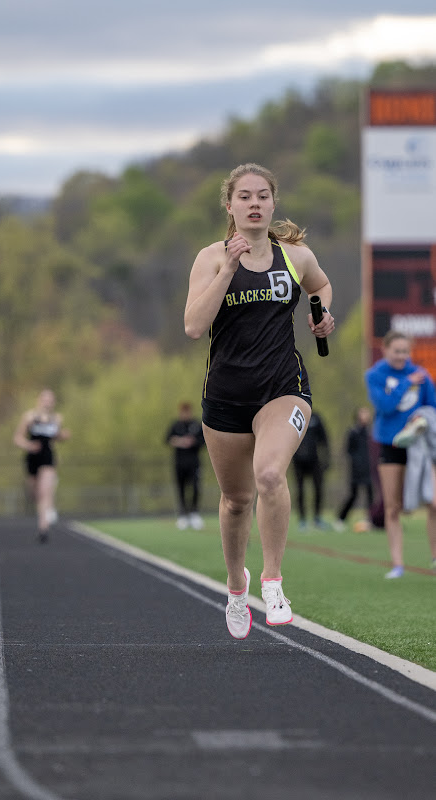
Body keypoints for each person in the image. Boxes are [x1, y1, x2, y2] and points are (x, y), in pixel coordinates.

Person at [184, 162, 334, 637]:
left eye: (263, 195)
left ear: (273, 203)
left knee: (270, 474)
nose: (254, 203)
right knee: (234, 500)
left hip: (282, 388)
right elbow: (192, 326)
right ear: (229, 205)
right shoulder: (210, 258)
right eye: (244, 196)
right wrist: (228, 268)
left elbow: (321, 285)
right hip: (227, 396)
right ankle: (235, 586)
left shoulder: (296, 256)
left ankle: (272, 581)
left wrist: (323, 313)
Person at [365, 330, 436, 578]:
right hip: (391, 444)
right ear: (385, 350)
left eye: (405, 351)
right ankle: (398, 565)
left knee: (433, 502)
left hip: (420, 446)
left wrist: (422, 417)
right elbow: (384, 406)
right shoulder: (375, 375)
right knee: (393, 507)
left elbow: (432, 407)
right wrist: (406, 383)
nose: (401, 356)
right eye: (397, 351)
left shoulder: (422, 375)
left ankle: (435, 557)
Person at [13, 389, 71, 542]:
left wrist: (63, 436)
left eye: (50, 400)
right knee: (35, 493)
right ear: (39, 400)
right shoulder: (30, 417)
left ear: (53, 402)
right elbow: (17, 438)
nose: (47, 402)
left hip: (48, 457)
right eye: (45, 399)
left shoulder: (57, 418)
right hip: (33, 457)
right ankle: (41, 506)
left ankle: (43, 528)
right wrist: (29, 445)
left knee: (45, 491)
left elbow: (55, 437)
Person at [165, 401, 205, 530]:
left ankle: (194, 513)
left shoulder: (196, 425)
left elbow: (203, 441)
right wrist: (179, 441)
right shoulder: (176, 425)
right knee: (181, 488)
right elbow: (167, 439)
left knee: (195, 487)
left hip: (194, 463)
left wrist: (192, 442)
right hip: (179, 463)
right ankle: (183, 514)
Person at [333, 407, 374, 531]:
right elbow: (349, 451)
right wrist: (357, 463)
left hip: (369, 469)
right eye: (363, 413)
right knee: (353, 495)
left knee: (370, 496)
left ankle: (371, 520)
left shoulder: (371, 433)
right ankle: (340, 519)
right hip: (356, 470)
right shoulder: (353, 432)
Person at [291, 410, 330, 530]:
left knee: (318, 488)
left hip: (314, 460)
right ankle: (302, 519)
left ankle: (317, 518)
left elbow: (324, 439)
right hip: (298, 461)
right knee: (300, 490)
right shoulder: (294, 416)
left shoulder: (316, 417)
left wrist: (327, 459)